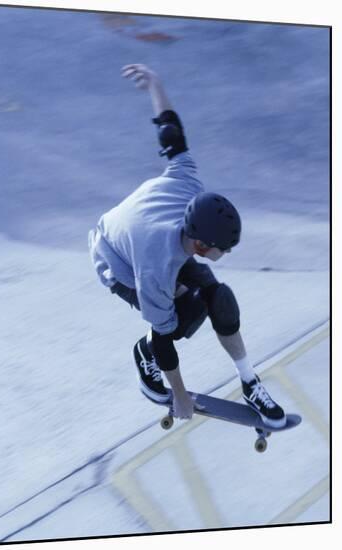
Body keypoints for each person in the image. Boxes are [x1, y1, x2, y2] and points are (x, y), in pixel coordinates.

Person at [88, 64, 285, 428]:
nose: (224, 255)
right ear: (200, 244)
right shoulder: (155, 268)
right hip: (116, 259)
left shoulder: (186, 180)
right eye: (220, 249)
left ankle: (249, 381)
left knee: (218, 296)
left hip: (147, 233)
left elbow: (170, 133)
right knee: (180, 315)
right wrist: (178, 394)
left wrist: (156, 83)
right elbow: (167, 341)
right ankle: (140, 354)